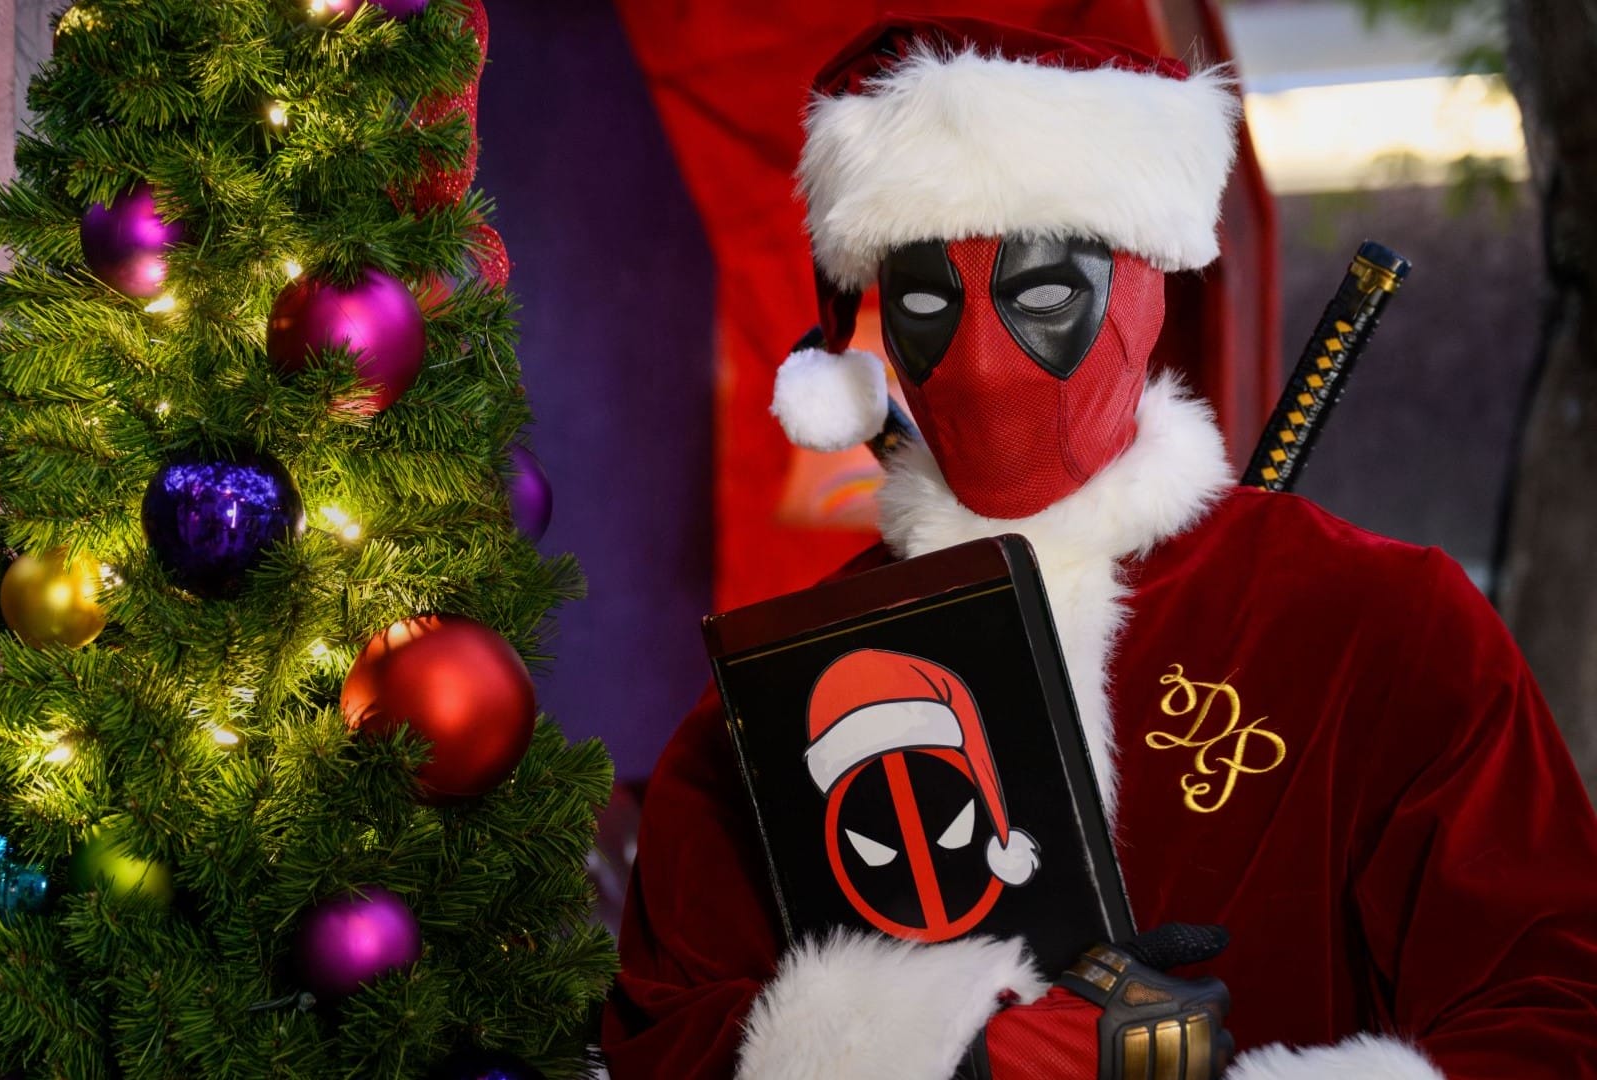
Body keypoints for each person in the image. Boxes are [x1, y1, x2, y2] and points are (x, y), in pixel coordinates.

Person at [600, 15, 1597, 1079]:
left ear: (1145, 282)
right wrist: (942, 1056)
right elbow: (665, 1035)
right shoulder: (775, 698)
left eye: (1041, 294)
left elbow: (1557, 1011)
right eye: (928, 301)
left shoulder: (1382, 630)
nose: (982, 366)